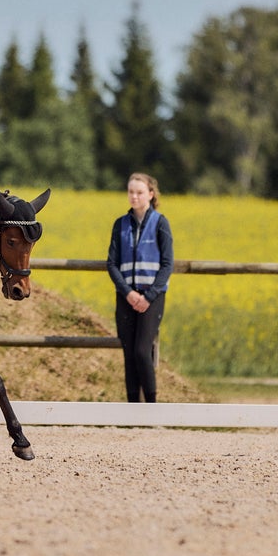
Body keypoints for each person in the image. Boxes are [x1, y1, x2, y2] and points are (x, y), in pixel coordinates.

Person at [106, 172, 174, 402]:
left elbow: (167, 264)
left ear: (150, 194)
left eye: (139, 192)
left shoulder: (160, 223)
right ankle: (132, 409)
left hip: (152, 298)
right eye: (131, 192)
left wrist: (149, 296)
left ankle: (152, 407)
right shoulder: (120, 224)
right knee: (128, 354)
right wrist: (129, 293)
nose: (134, 197)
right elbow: (112, 263)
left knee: (142, 351)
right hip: (126, 297)